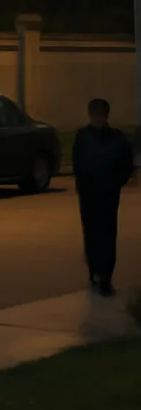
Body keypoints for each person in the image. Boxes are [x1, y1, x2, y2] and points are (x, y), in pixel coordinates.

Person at [72, 98, 134, 296]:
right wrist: (82, 186)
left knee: (107, 234)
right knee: (91, 233)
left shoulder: (116, 138)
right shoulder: (83, 137)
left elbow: (126, 164)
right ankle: (95, 271)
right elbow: (78, 164)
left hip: (108, 193)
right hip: (89, 194)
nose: (98, 118)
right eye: (95, 115)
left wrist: (116, 182)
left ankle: (105, 274)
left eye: (101, 114)